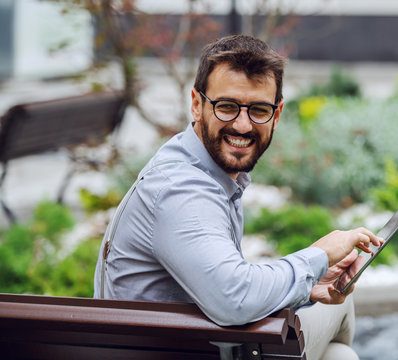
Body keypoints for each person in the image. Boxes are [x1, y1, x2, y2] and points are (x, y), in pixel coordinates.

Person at [94, 34, 382, 360]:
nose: (242, 126)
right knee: (341, 321)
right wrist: (318, 257)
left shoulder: (199, 170)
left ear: (277, 114)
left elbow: (225, 285)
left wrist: (305, 287)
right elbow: (235, 298)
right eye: (227, 106)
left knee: (339, 356)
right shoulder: (180, 190)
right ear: (196, 104)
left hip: (198, 346)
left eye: (259, 109)